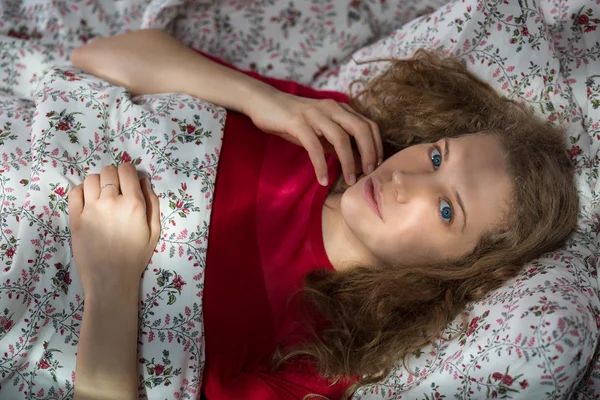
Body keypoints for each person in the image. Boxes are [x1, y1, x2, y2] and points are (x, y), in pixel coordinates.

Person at [68, 29, 579, 400]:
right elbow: (96, 55)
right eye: (437, 156)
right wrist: (260, 99)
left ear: (461, 273)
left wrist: (111, 279)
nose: (406, 180)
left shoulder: (323, 355)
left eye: (447, 209)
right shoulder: (329, 132)